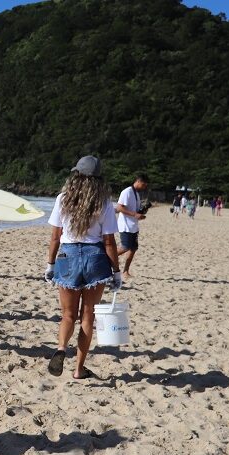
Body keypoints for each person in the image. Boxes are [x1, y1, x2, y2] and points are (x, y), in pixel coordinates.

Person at [43, 156, 121, 379]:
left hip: (67, 257)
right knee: (87, 317)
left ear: (76, 175)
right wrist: (116, 272)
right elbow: (109, 242)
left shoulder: (63, 199)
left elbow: (56, 237)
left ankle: (60, 349)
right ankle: (78, 369)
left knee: (68, 315)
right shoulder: (105, 202)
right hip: (95, 258)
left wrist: (50, 265)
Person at [115, 173, 148, 277]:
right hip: (125, 225)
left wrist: (142, 212)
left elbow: (135, 209)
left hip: (133, 226)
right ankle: (107, 258)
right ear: (138, 181)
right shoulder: (127, 192)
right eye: (144, 185)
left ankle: (125, 271)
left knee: (133, 248)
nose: (145, 187)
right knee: (125, 247)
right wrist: (135, 214)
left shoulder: (136, 194)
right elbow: (119, 207)